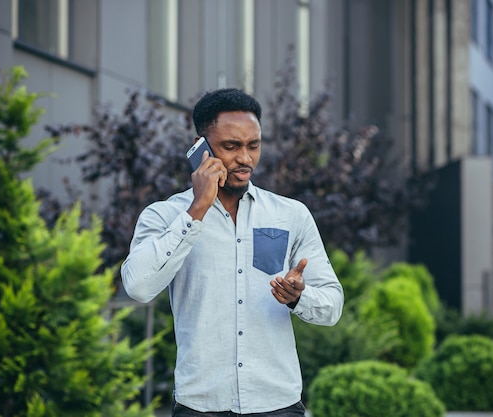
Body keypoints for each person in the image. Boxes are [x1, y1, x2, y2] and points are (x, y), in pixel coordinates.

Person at [121, 88, 344, 416]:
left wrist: (299, 297)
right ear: (202, 148)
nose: (246, 159)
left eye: (253, 145)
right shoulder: (165, 216)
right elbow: (138, 287)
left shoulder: (291, 214)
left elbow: (332, 306)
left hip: (278, 404)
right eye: (231, 146)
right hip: (200, 405)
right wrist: (197, 208)